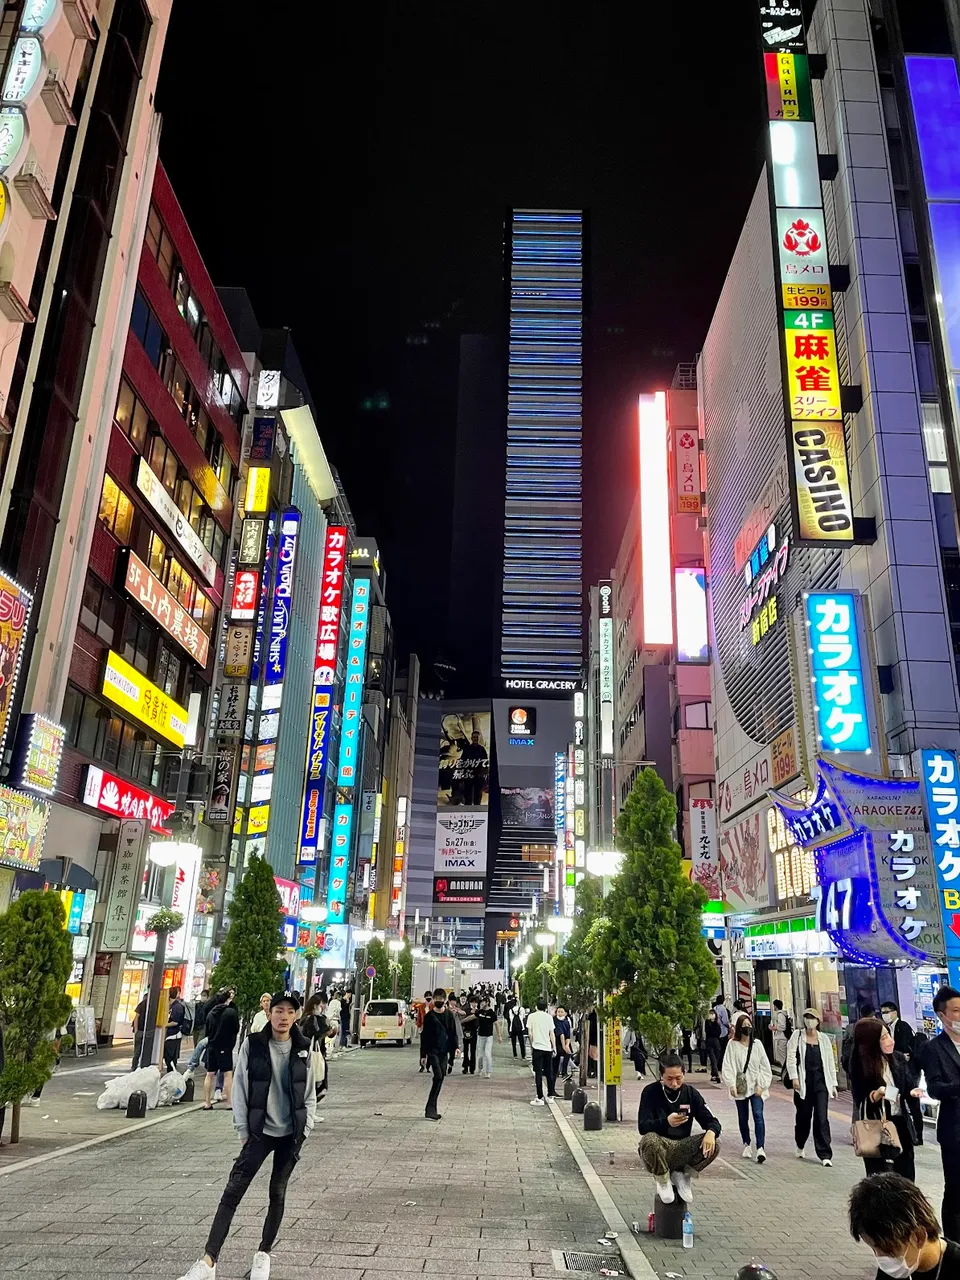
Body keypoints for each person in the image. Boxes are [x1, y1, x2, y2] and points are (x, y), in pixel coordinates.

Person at [176, 992, 316, 1280]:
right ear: (269, 1013)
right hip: (259, 1132)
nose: (284, 1017)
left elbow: (310, 1092)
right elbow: (239, 1088)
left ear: (296, 1016)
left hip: (290, 1135)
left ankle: (263, 1256)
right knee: (232, 1192)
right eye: (279, 1010)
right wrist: (243, 1129)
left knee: (277, 1193)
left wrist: (307, 1127)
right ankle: (208, 1262)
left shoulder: (303, 1048)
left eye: (290, 1012)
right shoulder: (253, 1045)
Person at [638, 1053, 721, 1204]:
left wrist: (711, 1132)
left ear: (684, 1074)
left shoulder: (690, 1093)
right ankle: (662, 1179)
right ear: (661, 1076)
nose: (674, 1083)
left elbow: (712, 1120)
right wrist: (666, 1122)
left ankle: (683, 1175)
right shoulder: (650, 1092)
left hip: (682, 1147)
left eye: (678, 1078)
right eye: (669, 1079)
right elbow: (643, 1126)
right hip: (659, 1147)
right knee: (649, 1140)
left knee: (715, 1144)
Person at [849, 1171, 960, 1280]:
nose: (880, 1257)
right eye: (874, 1249)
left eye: (888, 1249)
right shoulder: (893, 1268)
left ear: (919, 1236)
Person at [848, 1016, 919, 1182]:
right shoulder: (860, 1065)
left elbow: (904, 1089)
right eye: (884, 1037)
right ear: (871, 1042)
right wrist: (876, 1094)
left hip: (900, 1124)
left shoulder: (898, 1059)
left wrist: (912, 1093)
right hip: (876, 1127)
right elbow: (860, 1099)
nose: (890, 1040)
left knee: (906, 1178)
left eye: (888, 1034)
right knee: (880, 1180)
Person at [918, 985, 960, 1241]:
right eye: (956, 1010)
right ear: (942, 1015)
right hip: (954, 1130)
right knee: (956, 1191)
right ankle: (954, 1246)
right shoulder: (934, 1049)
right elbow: (934, 1089)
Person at [786, 1006, 838, 1166]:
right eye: (807, 1017)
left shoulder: (824, 1039)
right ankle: (800, 1143)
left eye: (813, 1017)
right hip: (803, 1083)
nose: (810, 1021)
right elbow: (791, 1057)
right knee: (804, 1117)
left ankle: (825, 1154)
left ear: (818, 1021)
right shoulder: (797, 1035)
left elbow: (830, 1062)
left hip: (821, 1083)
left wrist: (834, 1084)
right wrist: (794, 1077)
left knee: (822, 1118)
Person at [721, 1011, 772, 1163]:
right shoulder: (732, 1045)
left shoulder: (757, 1045)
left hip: (756, 1086)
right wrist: (731, 1084)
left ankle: (761, 1147)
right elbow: (728, 1065)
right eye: (744, 1026)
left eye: (749, 1025)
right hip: (740, 1086)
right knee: (743, 1117)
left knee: (758, 1115)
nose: (747, 1028)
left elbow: (765, 1066)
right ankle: (747, 1143)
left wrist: (762, 1085)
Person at [881, 1001, 924, 1146]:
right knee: (896, 1102)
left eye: (887, 1012)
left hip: (909, 1073)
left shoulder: (903, 1027)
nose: (885, 1015)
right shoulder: (886, 1029)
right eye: (883, 1013)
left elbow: (905, 1049)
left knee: (913, 1103)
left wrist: (896, 1054)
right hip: (895, 1073)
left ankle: (918, 1136)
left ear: (895, 1012)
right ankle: (900, 1133)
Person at [204, 989, 239, 1110]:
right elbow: (236, 1029)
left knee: (209, 1074)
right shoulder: (231, 1013)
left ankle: (207, 1103)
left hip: (211, 1046)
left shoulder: (210, 1013)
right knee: (227, 1074)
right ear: (227, 1000)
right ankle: (229, 1103)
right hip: (225, 1046)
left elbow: (207, 1031)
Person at [420, 988, 450, 1120]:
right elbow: (424, 1036)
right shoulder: (429, 1017)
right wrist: (423, 1055)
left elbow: (453, 1033)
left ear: (445, 1000)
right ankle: (430, 1108)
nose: (439, 1001)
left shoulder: (449, 1015)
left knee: (441, 1076)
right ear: (434, 999)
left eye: (441, 999)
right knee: (438, 1075)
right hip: (432, 1051)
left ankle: (431, 1108)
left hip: (444, 1051)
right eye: (436, 999)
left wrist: (456, 1048)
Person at [527, 996, 557, 1106]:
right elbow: (552, 1033)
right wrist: (554, 1047)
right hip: (547, 1048)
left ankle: (539, 1097)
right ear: (546, 1007)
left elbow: (530, 1033)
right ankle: (550, 1096)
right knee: (549, 1072)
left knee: (538, 1073)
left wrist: (533, 1043)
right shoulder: (549, 1017)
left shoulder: (531, 1016)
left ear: (536, 1006)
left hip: (537, 1048)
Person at [301, 993, 329, 1102]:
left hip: (316, 1051)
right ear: (315, 1005)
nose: (324, 1007)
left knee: (317, 1078)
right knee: (314, 1080)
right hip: (311, 1053)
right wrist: (326, 1031)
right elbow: (312, 1035)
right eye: (322, 1004)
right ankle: (311, 1105)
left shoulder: (315, 1018)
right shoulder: (311, 1019)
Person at [162, 985, 189, 1074]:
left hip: (174, 1034)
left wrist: (165, 1025)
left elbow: (176, 1021)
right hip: (171, 1034)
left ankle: (171, 1073)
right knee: (169, 1056)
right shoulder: (172, 1005)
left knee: (170, 1056)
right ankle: (171, 1073)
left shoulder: (177, 1007)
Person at [476, 997, 502, 1077]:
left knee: (487, 1054)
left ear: (487, 1002)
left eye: (483, 1002)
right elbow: (472, 1017)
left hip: (489, 1037)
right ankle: (480, 1069)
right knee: (480, 1055)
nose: (481, 1004)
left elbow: (496, 1024)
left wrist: (499, 1036)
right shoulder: (479, 1012)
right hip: (480, 1036)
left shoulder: (492, 1013)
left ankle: (488, 1071)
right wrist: (462, 1021)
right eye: (481, 1003)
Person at [445, 995, 464, 1073]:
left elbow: (463, 1013)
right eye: (452, 1001)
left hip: (455, 1031)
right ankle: (444, 1066)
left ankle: (450, 1063)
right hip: (446, 1031)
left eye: (455, 1001)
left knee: (452, 1052)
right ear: (449, 1001)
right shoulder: (445, 1009)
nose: (454, 1002)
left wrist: (457, 1011)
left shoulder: (456, 1008)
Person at [130, 990, 149, 1071]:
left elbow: (136, 1017)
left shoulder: (141, 1004)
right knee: (146, 1049)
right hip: (147, 1031)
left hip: (140, 1030)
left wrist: (136, 1029)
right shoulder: (153, 1004)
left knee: (137, 1050)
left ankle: (134, 1066)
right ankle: (143, 1066)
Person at [704, 1008, 723, 1083]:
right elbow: (707, 1031)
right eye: (710, 1014)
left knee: (716, 1058)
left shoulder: (717, 1023)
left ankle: (713, 1074)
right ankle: (716, 1074)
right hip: (709, 1041)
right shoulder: (707, 1023)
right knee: (713, 1059)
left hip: (716, 1041)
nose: (711, 1015)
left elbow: (719, 1032)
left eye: (713, 1014)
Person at [554, 1006, 572, 1080]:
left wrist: (567, 1045)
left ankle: (564, 1072)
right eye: (558, 1011)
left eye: (562, 1012)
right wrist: (564, 1046)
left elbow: (568, 1035)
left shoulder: (566, 1022)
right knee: (556, 1056)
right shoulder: (554, 1020)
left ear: (565, 1013)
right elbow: (561, 1034)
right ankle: (555, 1072)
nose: (560, 1013)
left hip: (564, 1042)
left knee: (568, 1053)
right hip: (556, 1042)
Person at [771, 1000, 790, 1068]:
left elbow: (782, 1027)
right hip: (781, 1037)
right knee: (781, 1054)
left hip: (782, 1037)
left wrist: (773, 1028)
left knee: (782, 1055)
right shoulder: (781, 1014)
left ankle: (785, 1069)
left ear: (776, 1006)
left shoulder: (780, 1015)